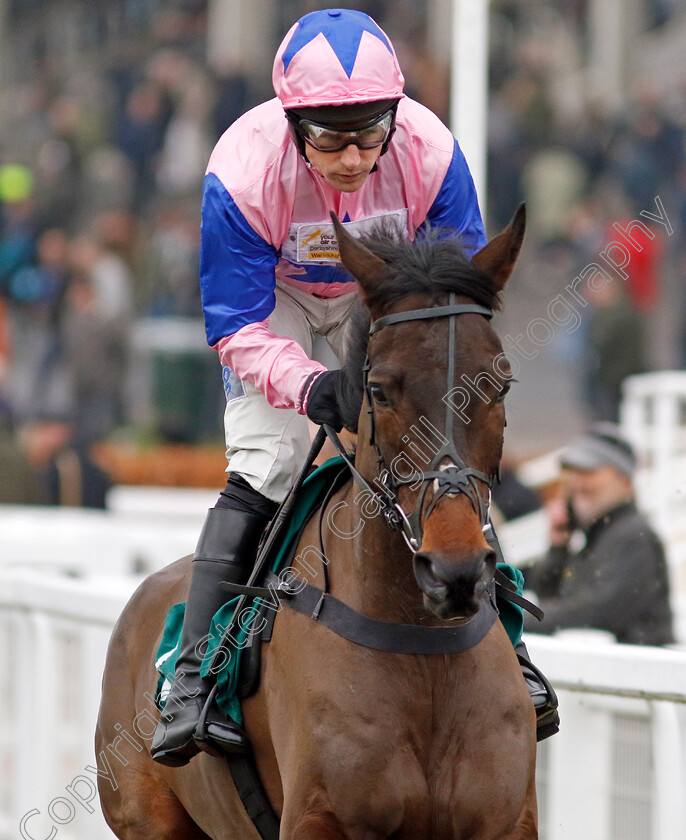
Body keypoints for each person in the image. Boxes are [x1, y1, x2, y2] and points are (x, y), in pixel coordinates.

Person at [151, 8, 557, 767]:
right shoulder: (239, 170)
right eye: (329, 138)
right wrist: (311, 387)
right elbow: (235, 324)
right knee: (270, 463)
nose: (350, 157)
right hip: (276, 305)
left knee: (444, 450)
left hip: (389, 299)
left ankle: (512, 647)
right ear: (291, 121)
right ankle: (197, 675)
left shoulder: (432, 154)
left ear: (394, 119)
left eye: (369, 135)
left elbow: (455, 303)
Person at [523, 423, 674, 646]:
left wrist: (518, 618)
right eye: (574, 474)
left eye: (590, 473)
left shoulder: (634, 536)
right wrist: (558, 547)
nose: (578, 484)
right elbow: (549, 597)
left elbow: (595, 614)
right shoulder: (596, 537)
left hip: (635, 675)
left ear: (625, 481)